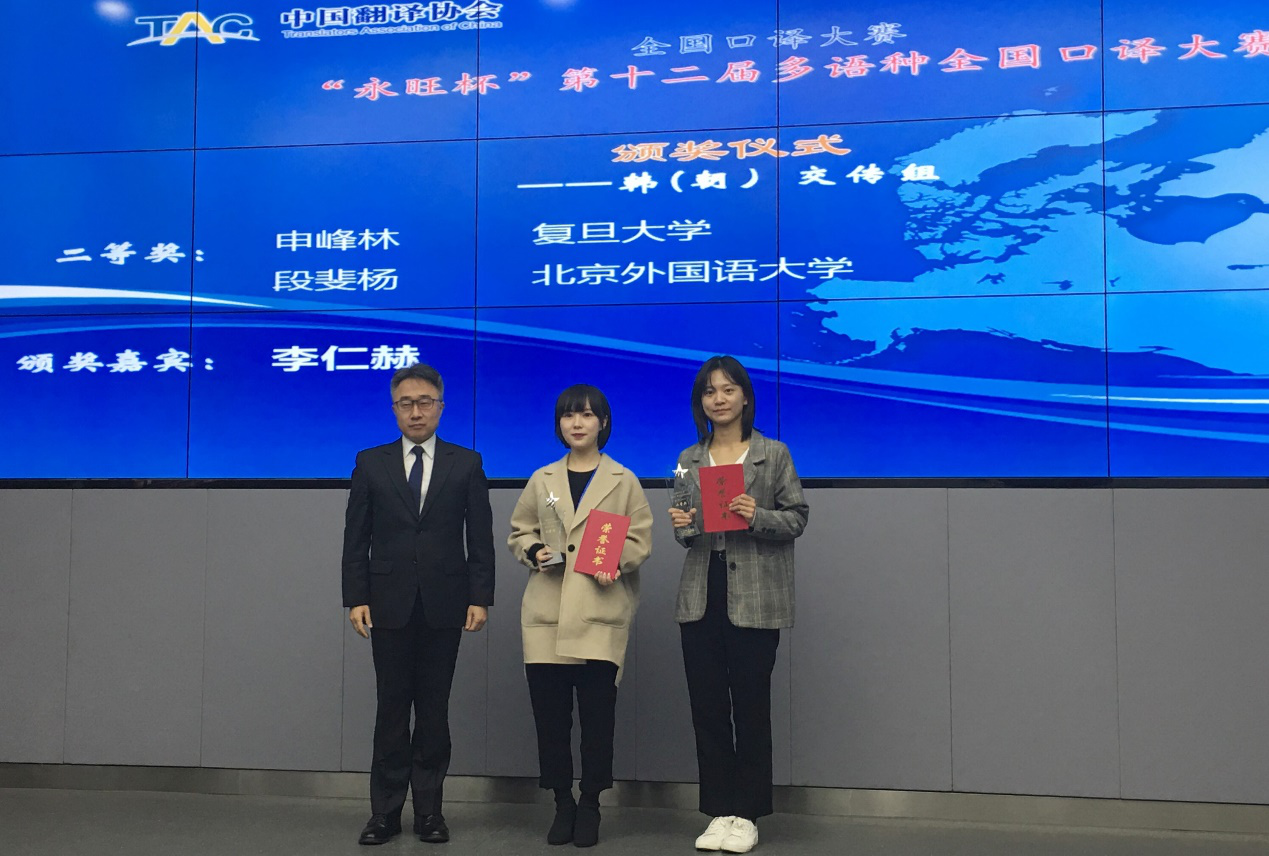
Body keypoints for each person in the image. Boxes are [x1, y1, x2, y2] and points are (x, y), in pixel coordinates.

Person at [342, 363, 495, 845]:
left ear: (441, 407)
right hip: (386, 603)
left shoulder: (465, 462)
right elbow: (356, 537)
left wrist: (480, 597)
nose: (415, 412)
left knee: (433, 710)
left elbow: (481, 538)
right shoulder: (371, 462)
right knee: (390, 710)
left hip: (445, 604)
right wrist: (355, 597)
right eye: (405, 403)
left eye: (425, 402)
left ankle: (430, 812)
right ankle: (384, 813)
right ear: (394, 409)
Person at [668, 357, 809, 855]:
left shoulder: (774, 453)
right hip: (701, 592)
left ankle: (747, 813)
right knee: (706, 708)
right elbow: (684, 528)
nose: (719, 399)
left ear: (745, 396)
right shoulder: (688, 458)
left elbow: (797, 518)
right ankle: (718, 810)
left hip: (755, 596)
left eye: (728, 389)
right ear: (700, 402)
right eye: (709, 392)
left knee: (750, 707)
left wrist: (757, 515)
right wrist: (683, 523)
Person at [508, 384, 653, 848]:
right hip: (547, 616)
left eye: (588, 415)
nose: (577, 423)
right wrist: (534, 550)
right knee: (551, 723)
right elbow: (519, 531)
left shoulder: (623, 480)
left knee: (596, 723)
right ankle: (562, 803)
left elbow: (640, 539)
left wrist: (616, 561)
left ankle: (590, 803)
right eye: (569, 415)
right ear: (559, 424)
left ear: (603, 423)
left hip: (598, 614)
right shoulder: (542, 478)